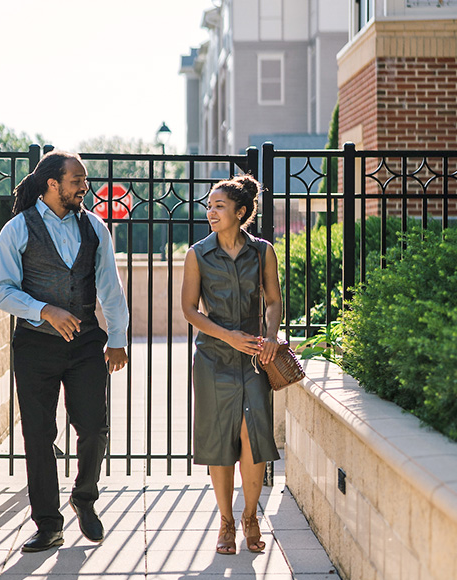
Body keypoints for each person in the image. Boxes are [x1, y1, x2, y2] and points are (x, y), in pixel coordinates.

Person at [0, 151, 129, 553]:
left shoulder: (95, 227)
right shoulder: (17, 229)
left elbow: (110, 288)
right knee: (38, 436)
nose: (84, 186)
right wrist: (44, 310)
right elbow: (1, 289)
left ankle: (84, 498)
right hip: (35, 345)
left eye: (84, 181)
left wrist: (117, 338)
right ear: (53, 183)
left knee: (94, 429)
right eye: (77, 180)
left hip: (86, 343)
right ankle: (48, 524)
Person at [181, 174, 282, 555]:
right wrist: (228, 336)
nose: (210, 212)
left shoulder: (262, 252)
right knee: (218, 441)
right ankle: (225, 522)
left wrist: (270, 335)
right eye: (209, 206)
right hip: (212, 358)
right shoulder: (197, 254)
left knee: (252, 440)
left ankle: (251, 516)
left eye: (218, 206)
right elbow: (189, 310)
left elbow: (273, 300)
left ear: (240, 212)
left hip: (255, 357)